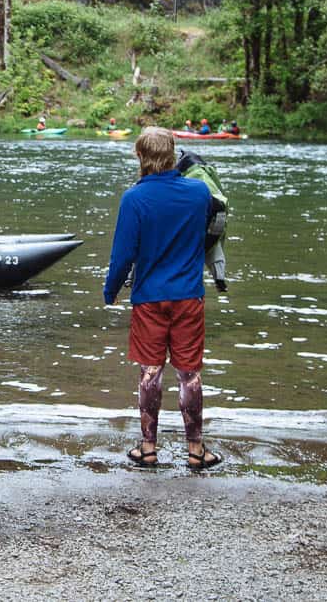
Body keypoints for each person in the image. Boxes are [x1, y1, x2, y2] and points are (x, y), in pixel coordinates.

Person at [104, 127, 223, 470]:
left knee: (150, 373)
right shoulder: (199, 193)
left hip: (149, 299)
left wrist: (111, 291)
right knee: (190, 375)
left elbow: (123, 254)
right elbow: (207, 232)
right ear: (173, 154)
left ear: (141, 157)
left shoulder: (134, 199)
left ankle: (148, 448)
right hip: (188, 297)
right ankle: (196, 451)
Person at [178, 149, 229, 292]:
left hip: (208, 212)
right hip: (218, 212)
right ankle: (219, 279)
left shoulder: (189, 179)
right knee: (213, 246)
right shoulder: (207, 173)